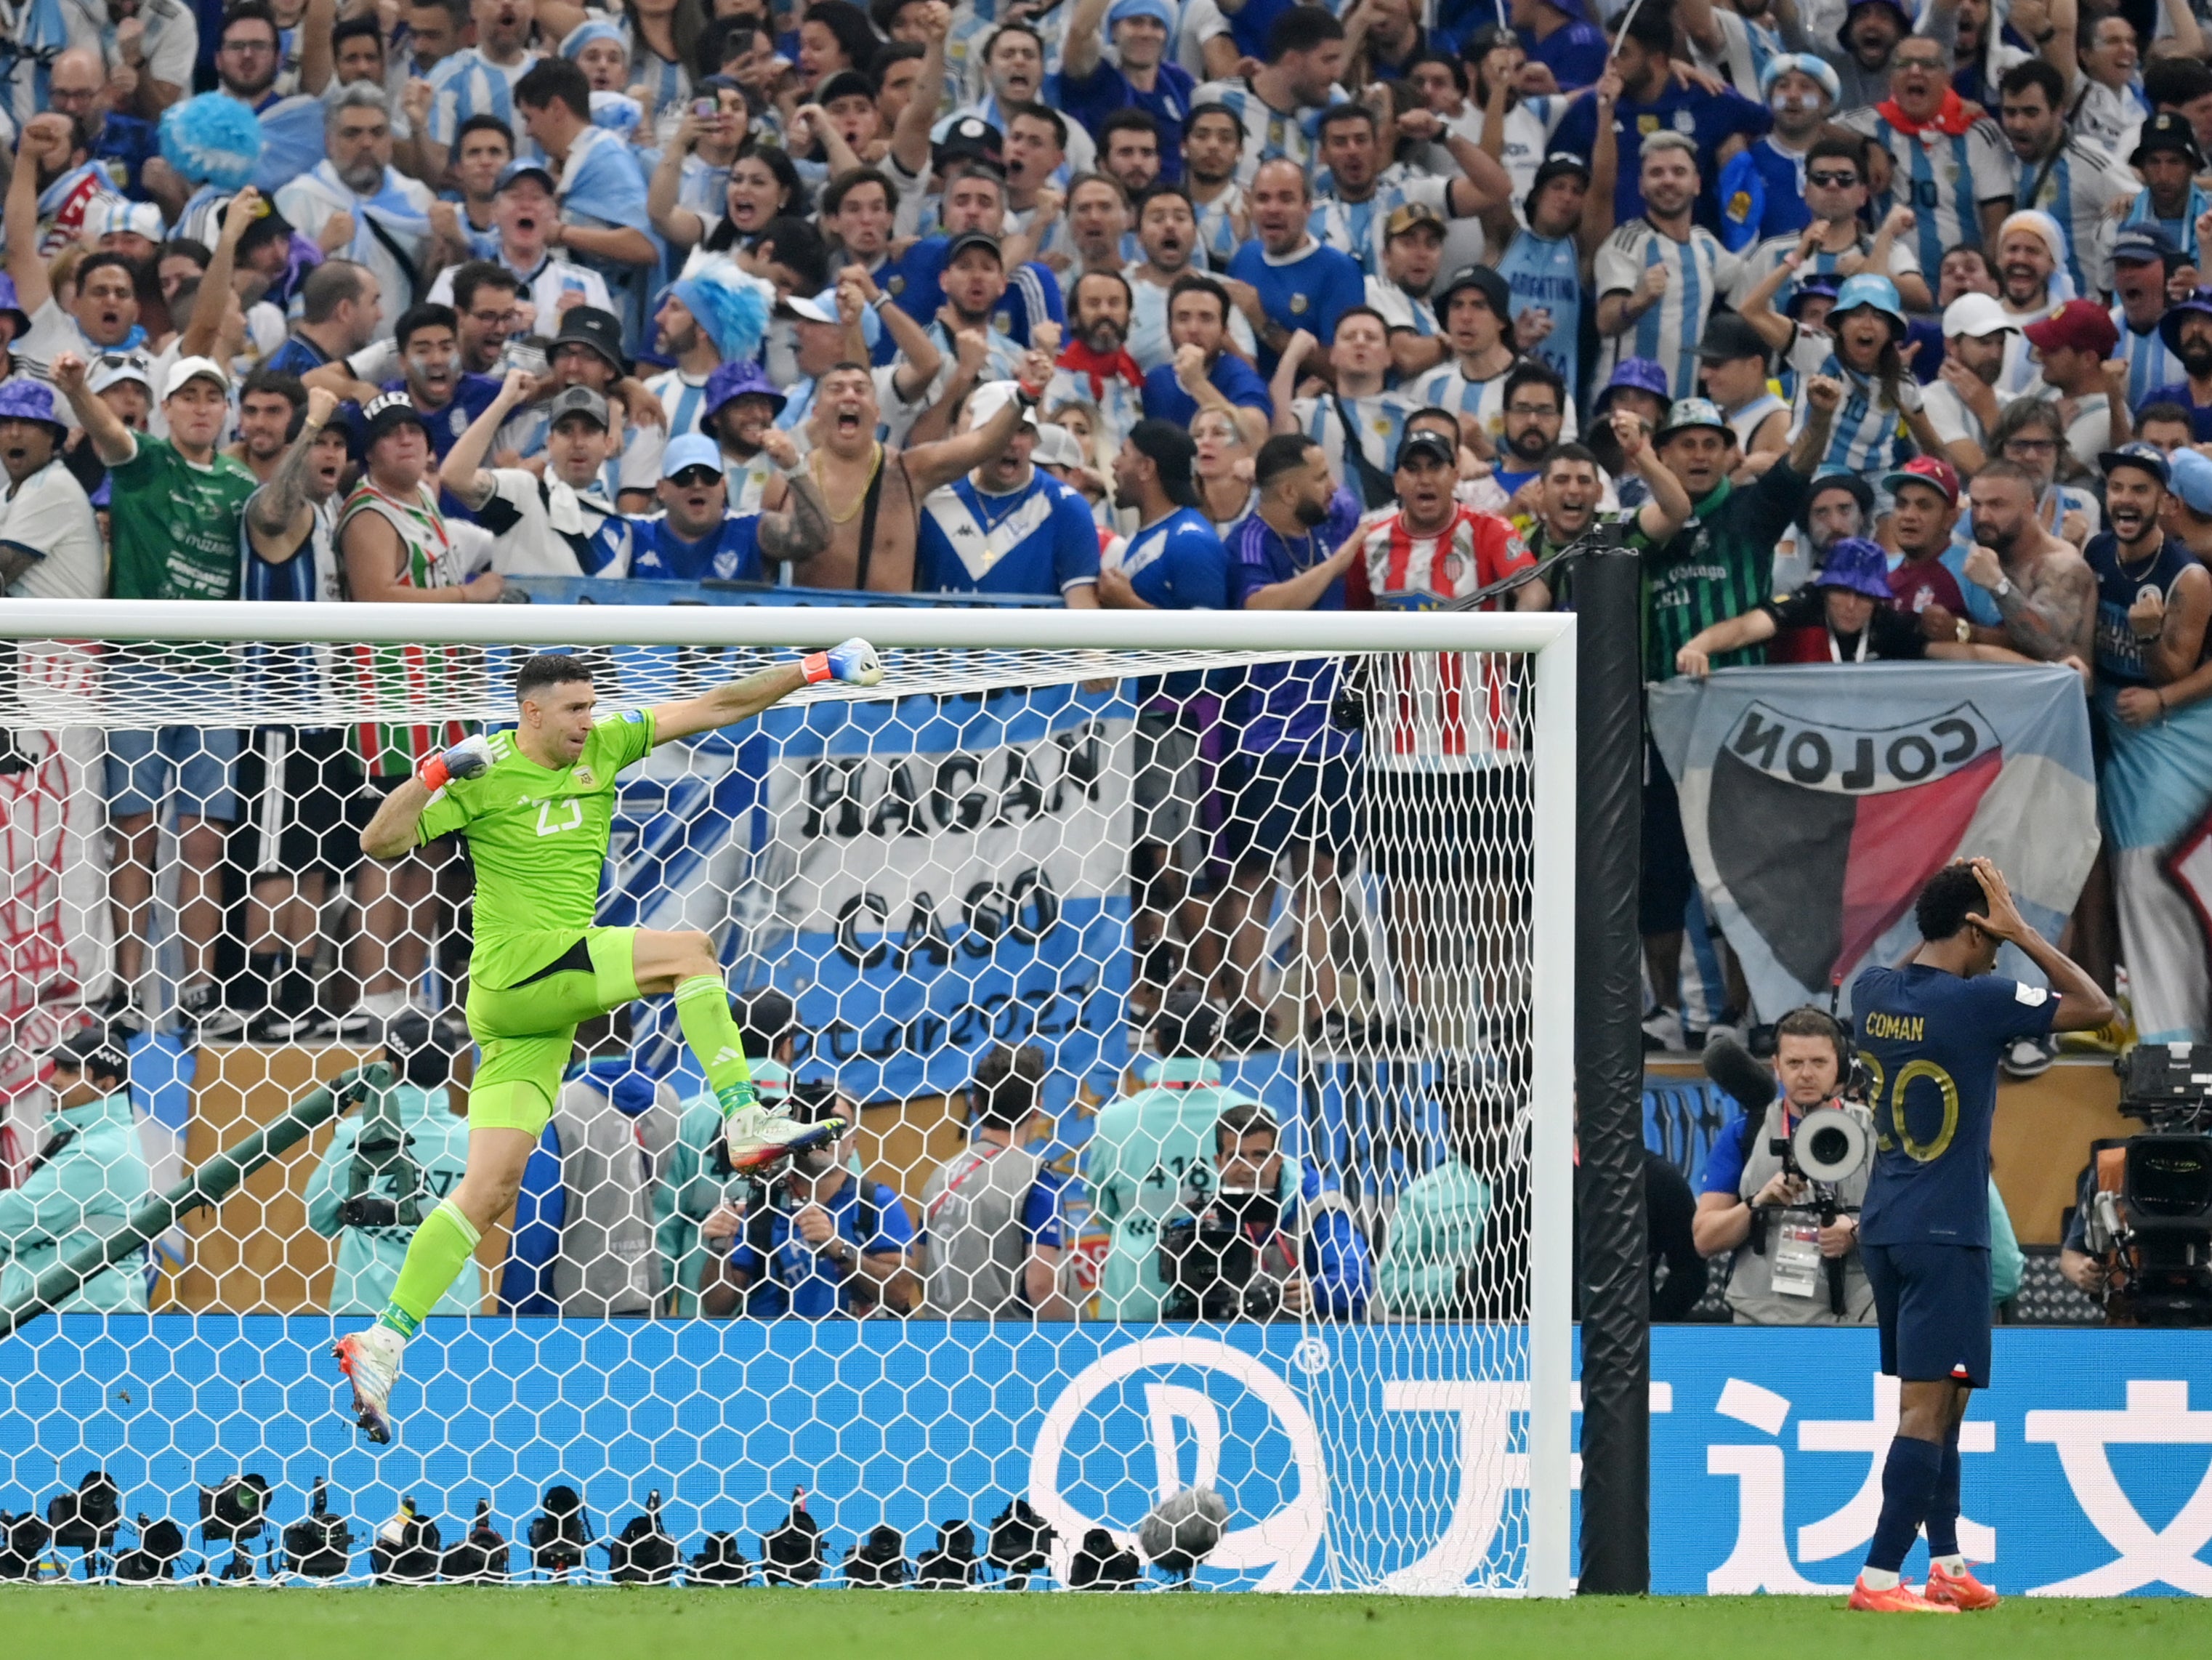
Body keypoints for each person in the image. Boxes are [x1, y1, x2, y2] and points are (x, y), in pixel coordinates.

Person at [328, 642, 889, 1443]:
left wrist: (814, 669)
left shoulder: (608, 744)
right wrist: (434, 773)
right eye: (573, 710)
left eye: (592, 707)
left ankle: (384, 1339)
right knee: (691, 952)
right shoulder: (486, 771)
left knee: (488, 1191)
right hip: (516, 969)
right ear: (530, 711)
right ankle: (745, 1117)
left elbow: (718, 705)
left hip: (532, 1017)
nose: (587, 723)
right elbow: (378, 845)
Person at [1846, 858, 2112, 1612]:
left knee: (1945, 1395)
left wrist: (1950, 919)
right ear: (1974, 927)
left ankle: (1947, 1563)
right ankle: (1876, 1578)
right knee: (1926, 1411)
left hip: (1886, 1226)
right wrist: (2021, 930)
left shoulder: (1870, 991)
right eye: (1989, 931)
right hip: (1946, 1230)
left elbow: (1910, 972)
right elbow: (2095, 1005)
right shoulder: (1980, 1003)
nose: (1996, 949)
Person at [52, 349, 254, 1037]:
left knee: (204, 840)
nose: (201, 406)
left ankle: (198, 993)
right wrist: (79, 389)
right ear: (168, 409)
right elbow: (109, 433)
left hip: (213, 676)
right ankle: (130, 990)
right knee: (135, 833)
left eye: (212, 396)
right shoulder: (142, 463)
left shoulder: (239, 485)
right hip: (137, 669)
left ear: (225, 410)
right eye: (188, 396)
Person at [1216, 433, 1363, 1048]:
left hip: (1336, 739)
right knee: (1255, 875)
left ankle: (1326, 1009)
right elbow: (1262, 609)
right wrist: (1336, 565)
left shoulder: (1335, 514)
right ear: (1287, 490)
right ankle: (1250, 1007)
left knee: (1323, 875)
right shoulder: (1250, 540)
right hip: (1267, 737)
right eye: (1322, 477)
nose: (1336, 488)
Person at [1692, 1009, 1874, 1326]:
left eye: (1819, 1062)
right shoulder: (1744, 1133)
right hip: (1764, 1321)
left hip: (1861, 1318)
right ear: (1776, 1067)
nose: (1806, 1074)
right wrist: (1757, 1204)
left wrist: (1858, 1232)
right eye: (1794, 1063)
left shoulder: (1875, 1133)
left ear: (1840, 1067)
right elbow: (1705, 1239)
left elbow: (1917, 1226)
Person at [303, 1015, 482, 1316]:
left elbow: (319, 1215)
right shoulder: (474, 1140)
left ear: (391, 1065)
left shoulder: (357, 1135)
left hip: (367, 1308)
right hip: (453, 1312)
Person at [699, 1084, 917, 1319]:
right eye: (815, 1120)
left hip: (856, 1349)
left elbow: (900, 1293)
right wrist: (719, 1250)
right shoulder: (761, 1210)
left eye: (837, 1122)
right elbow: (716, 1308)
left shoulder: (875, 1203)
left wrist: (839, 1249)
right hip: (775, 1349)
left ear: (853, 1145)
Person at [654, 987, 799, 1315]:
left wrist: (656, 1310)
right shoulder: (817, 1109)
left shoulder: (689, 1114)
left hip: (706, 1296)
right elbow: (845, 1195)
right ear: (787, 1044)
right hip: (802, 1301)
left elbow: (663, 1225)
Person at [1158, 1100, 1371, 1321]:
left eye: (1260, 1155)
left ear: (1278, 1159)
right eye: (1236, 1157)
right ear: (1219, 1162)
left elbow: (1357, 1280)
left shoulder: (1321, 1206)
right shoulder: (1209, 1215)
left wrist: (1317, 1292)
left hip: (1316, 1339)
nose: (1249, 1168)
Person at [916, 1044, 1075, 1320]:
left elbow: (920, 1268)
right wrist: (1070, 1349)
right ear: (1037, 1108)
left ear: (975, 1104)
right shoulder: (1036, 1180)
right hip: (1010, 1350)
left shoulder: (938, 1177)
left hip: (942, 1344)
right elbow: (1041, 1284)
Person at [0, 1029, 152, 1314]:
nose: (53, 1080)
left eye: (70, 1071)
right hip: (78, 1317)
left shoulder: (97, 1152)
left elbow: (17, 1218)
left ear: (106, 1085)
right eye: (56, 1068)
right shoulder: (101, 1139)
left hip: (83, 1323)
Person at [916, 379, 1103, 603]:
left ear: (1035, 439)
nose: (1012, 442)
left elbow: (1082, 610)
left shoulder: (1067, 507)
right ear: (977, 438)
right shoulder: (933, 500)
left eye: (1023, 431)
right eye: (1000, 430)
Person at [1594, 133, 1744, 401]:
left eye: (1678, 172)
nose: (1668, 180)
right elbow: (1605, 320)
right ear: (1642, 186)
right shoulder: (1626, 242)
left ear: (1697, 184)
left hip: (1681, 411)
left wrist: (1797, 255)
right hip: (1626, 408)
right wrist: (1637, 302)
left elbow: (1749, 281)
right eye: (1656, 173)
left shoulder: (1706, 245)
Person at [1224, 158, 1368, 378]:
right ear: (1251, 206)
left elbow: (1344, 367)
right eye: (1263, 198)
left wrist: (1264, 325)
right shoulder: (1246, 256)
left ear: (1307, 208)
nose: (1273, 209)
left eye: (1286, 199)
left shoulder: (1339, 270)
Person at [0, 379, 102, 600]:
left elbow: (2, 570)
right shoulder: (10, 492)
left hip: (66, 633)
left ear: (51, 437)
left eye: (27, 422)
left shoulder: (50, 486)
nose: (14, 433)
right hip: (39, 631)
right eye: (5, 422)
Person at [1920, 291, 2016, 475]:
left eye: (2001, 343)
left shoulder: (2013, 402)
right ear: (1951, 346)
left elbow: (2029, 478)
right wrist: (1988, 412)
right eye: (1984, 343)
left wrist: (1988, 409)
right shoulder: (1930, 400)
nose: (1996, 354)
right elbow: (1981, 472)